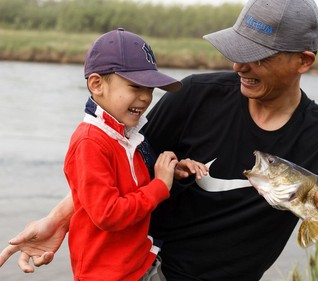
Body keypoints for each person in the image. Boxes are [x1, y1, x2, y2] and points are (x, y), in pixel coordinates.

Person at [0, 0, 318, 280]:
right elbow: (122, 166)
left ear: (303, 62)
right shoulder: (196, 95)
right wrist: (57, 221)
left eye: (257, 57)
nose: (238, 66)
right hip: (148, 269)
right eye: (237, 52)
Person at [22, 28, 208, 281]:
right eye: (135, 87)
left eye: (150, 89)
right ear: (97, 84)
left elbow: (132, 187)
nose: (145, 98)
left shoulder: (126, 134)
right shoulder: (90, 142)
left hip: (141, 262)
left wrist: (169, 173)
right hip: (109, 275)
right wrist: (159, 186)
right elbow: (108, 214)